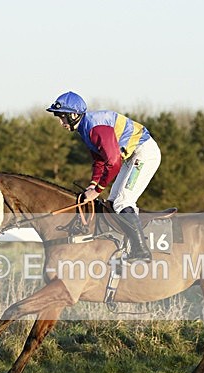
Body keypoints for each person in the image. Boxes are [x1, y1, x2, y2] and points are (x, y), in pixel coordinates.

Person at [47, 91, 160, 262]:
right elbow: (100, 161)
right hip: (132, 155)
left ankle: (141, 251)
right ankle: (129, 245)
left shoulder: (95, 128)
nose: (60, 122)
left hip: (144, 153)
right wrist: (93, 184)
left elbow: (113, 162)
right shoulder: (85, 129)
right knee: (113, 202)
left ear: (73, 114)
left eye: (62, 117)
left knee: (123, 202)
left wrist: (98, 190)